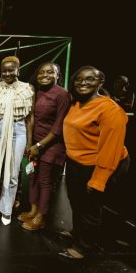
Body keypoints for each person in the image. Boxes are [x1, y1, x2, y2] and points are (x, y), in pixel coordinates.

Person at [60, 66, 130, 260]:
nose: (83, 83)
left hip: (101, 164)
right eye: (79, 79)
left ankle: (84, 247)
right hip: (77, 163)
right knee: (76, 201)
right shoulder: (77, 104)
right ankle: (79, 233)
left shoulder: (110, 109)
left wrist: (99, 180)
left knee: (89, 205)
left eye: (90, 79)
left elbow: (111, 150)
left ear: (101, 82)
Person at [0, 56, 34, 227]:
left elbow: (30, 118)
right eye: (4, 71)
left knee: (12, 173)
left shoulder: (28, 88)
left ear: (18, 69)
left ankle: (6, 209)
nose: (8, 73)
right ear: (0, 71)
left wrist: (29, 142)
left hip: (18, 130)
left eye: (12, 70)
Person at [18, 62, 71, 231]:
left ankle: (41, 216)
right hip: (35, 143)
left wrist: (40, 146)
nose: (44, 75)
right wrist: (30, 144)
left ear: (58, 75)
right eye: (41, 73)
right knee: (33, 177)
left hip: (52, 144)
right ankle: (33, 210)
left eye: (50, 72)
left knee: (45, 181)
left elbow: (58, 126)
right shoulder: (37, 91)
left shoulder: (63, 94)